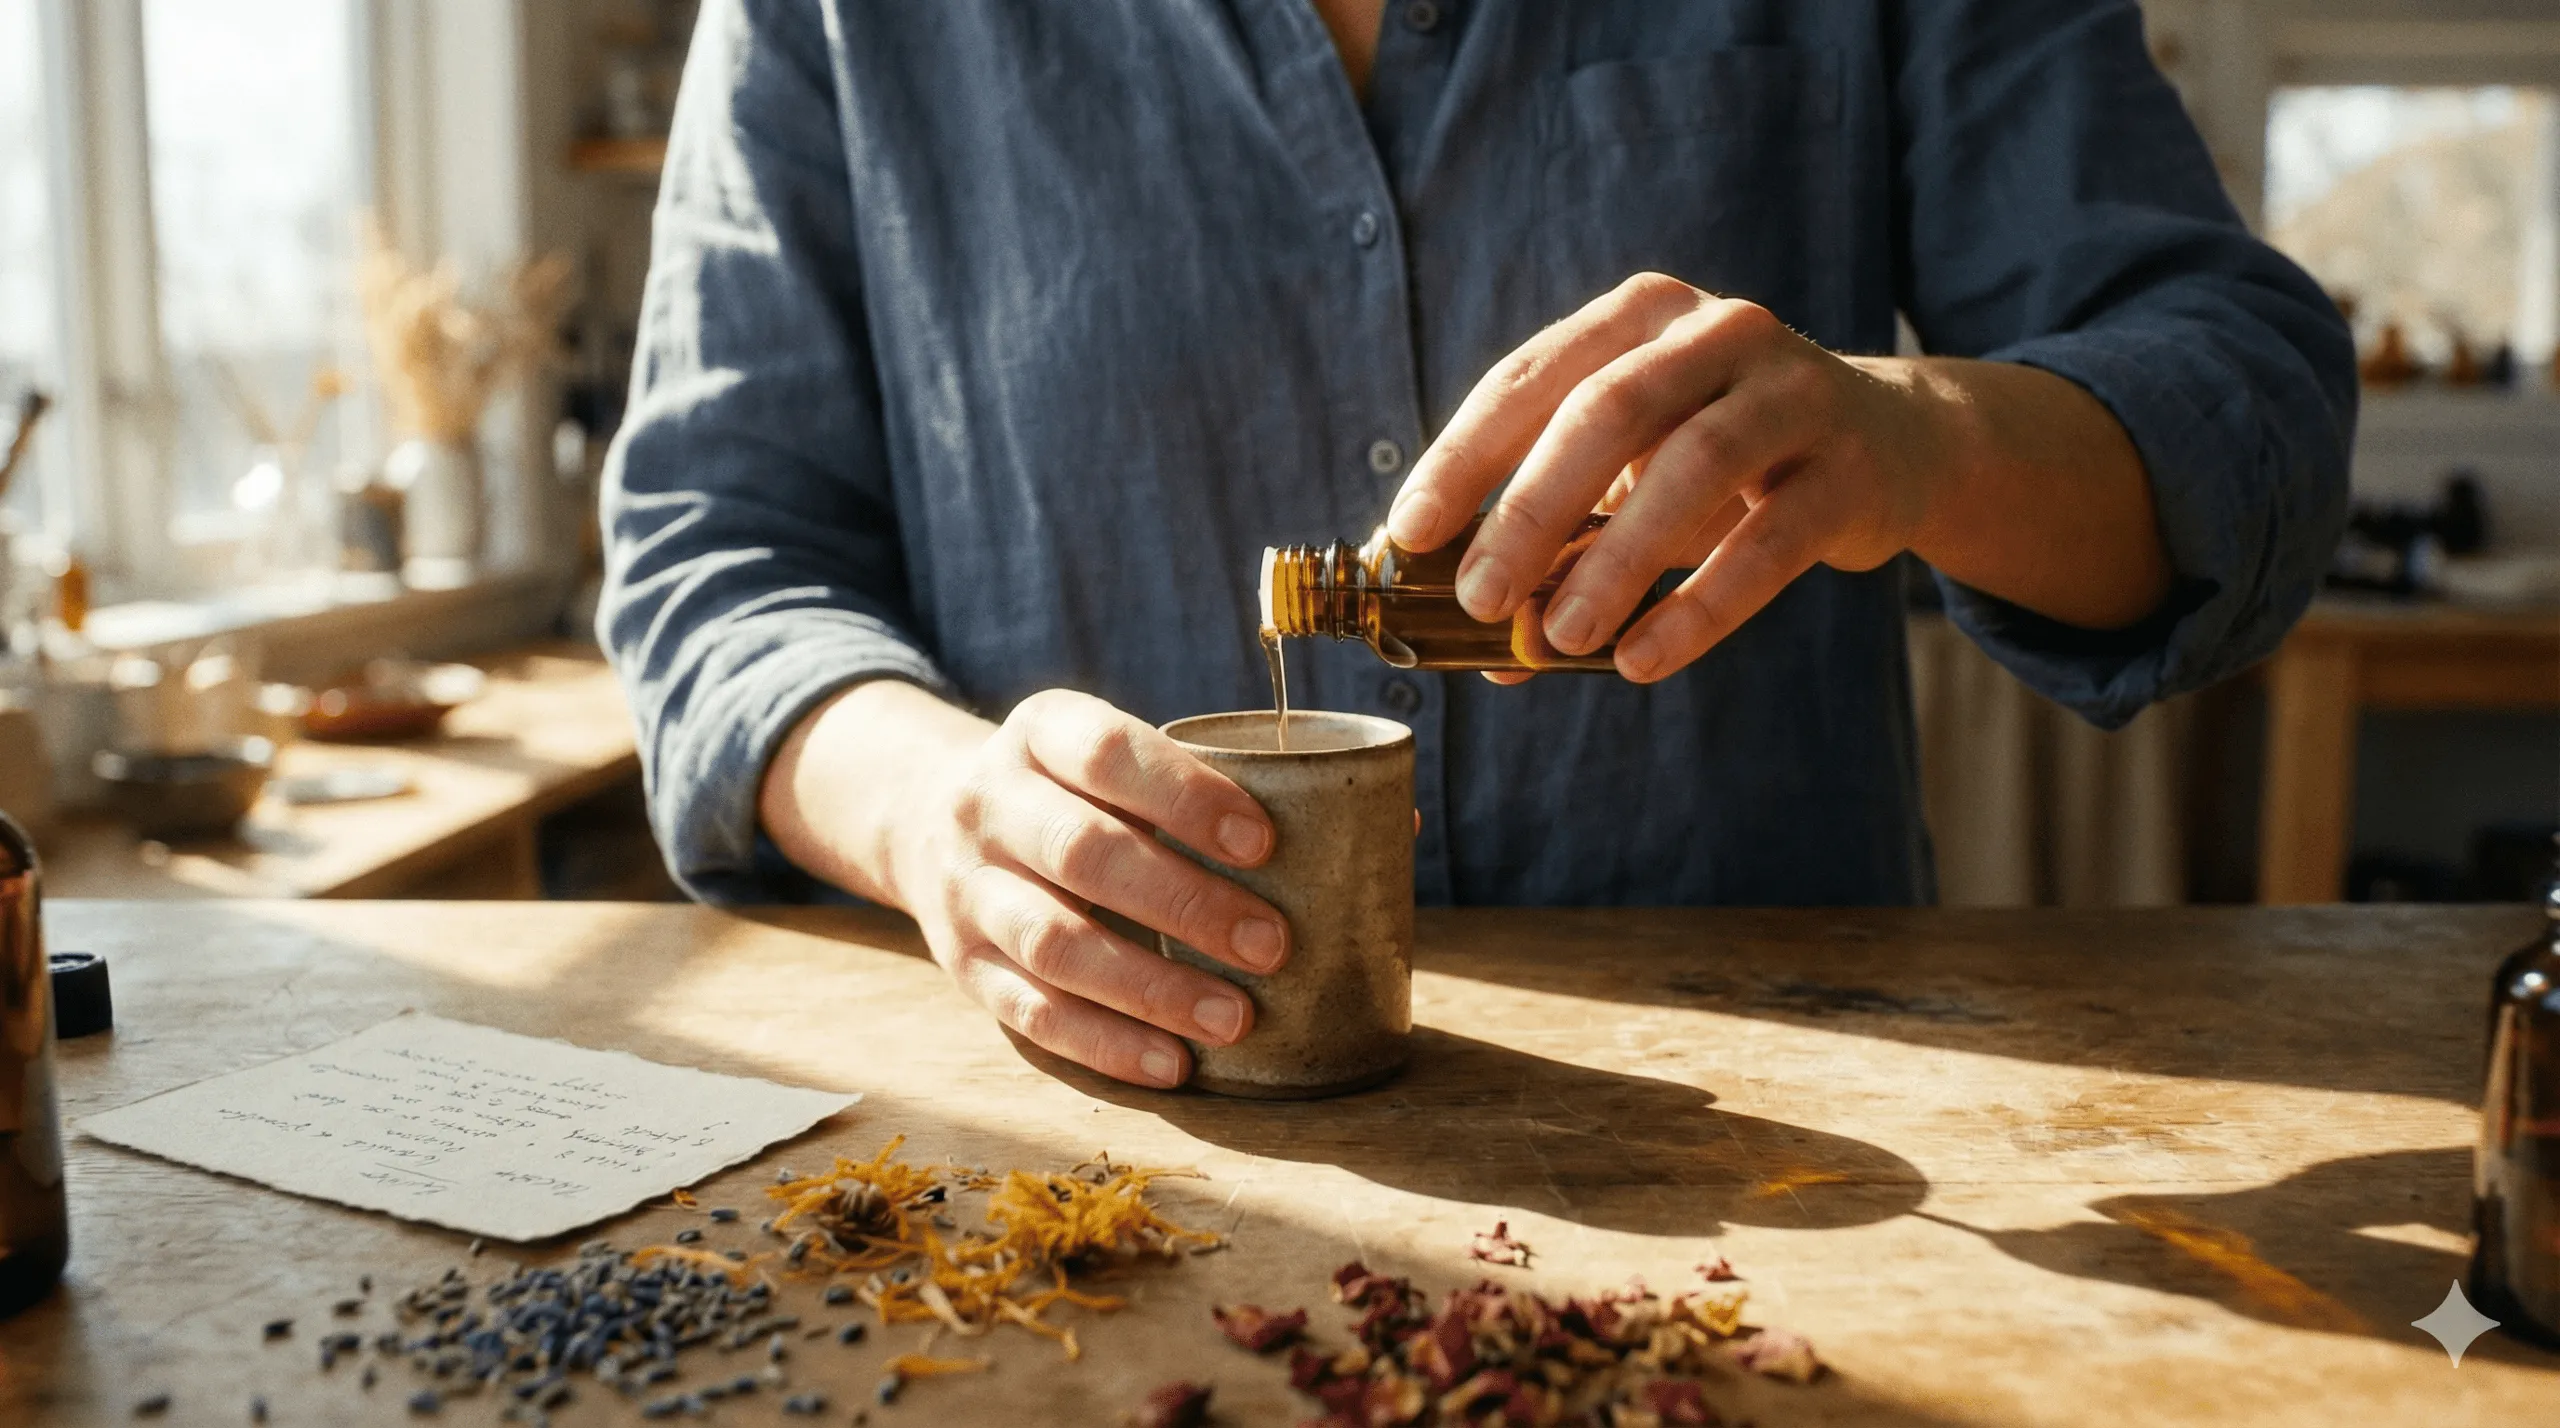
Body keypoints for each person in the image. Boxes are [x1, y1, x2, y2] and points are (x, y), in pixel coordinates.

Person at [600, 0, 2355, 1089]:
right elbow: (712, 553)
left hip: (1794, 1146)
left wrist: (1919, 438)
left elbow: (2249, 423)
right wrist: (931, 813)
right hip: (1112, 1134)